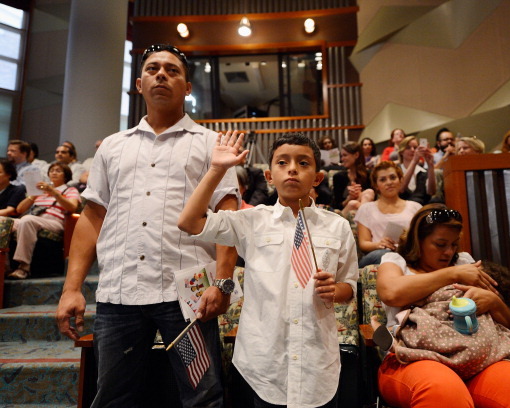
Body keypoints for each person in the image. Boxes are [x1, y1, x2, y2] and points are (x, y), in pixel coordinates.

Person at [56, 43, 239, 408]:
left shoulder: (211, 145)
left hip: (187, 297)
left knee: (202, 395)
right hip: (120, 292)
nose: (161, 75)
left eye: (172, 71)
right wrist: (71, 288)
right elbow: (92, 218)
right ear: (138, 83)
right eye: (153, 68)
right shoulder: (112, 147)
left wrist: (223, 282)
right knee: (113, 397)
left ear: (187, 88)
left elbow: (227, 219)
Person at [178, 132, 359, 408]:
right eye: (283, 162)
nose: (293, 169)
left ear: (318, 178)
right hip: (265, 363)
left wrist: (336, 289)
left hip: (317, 361)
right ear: (269, 176)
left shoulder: (338, 226)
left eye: (303, 163)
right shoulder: (251, 221)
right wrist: (217, 170)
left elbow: (350, 287)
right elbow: (189, 222)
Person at [375, 204, 510, 408]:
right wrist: (453, 274)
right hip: (413, 358)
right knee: (443, 393)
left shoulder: (464, 261)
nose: (449, 252)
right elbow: (390, 293)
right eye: (440, 244)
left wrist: (492, 301)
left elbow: (506, 321)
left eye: (454, 244)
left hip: (480, 359)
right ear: (417, 241)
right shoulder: (396, 261)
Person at [8, 162, 80, 279]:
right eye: (52, 171)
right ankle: (5, 266)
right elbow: (20, 209)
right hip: (33, 218)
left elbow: (72, 207)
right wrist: (33, 195)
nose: (54, 173)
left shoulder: (70, 190)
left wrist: (54, 192)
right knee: (4, 222)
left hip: (54, 221)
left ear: (65, 175)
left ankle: (24, 267)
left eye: (58, 171)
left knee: (27, 220)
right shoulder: (41, 191)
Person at [354, 161, 421, 267]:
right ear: (376, 185)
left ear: (400, 180)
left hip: (407, 252)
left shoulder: (415, 207)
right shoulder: (366, 209)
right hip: (379, 254)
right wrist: (379, 244)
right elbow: (363, 243)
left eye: (393, 177)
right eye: (383, 180)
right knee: (386, 255)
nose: (389, 182)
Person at [332, 141, 374, 214]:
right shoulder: (338, 177)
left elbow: (375, 200)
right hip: (345, 213)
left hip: (367, 210)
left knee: (368, 193)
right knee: (353, 203)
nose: (342, 159)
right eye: (341, 156)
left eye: (345, 155)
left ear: (356, 155)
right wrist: (349, 198)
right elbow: (336, 206)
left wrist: (359, 195)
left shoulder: (369, 175)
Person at [398, 136, 436, 205]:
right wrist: (414, 161)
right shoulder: (396, 170)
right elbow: (401, 189)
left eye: (415, 147)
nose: (412, 150)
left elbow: (431, 192)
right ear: (401, 152)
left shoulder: (423, 171)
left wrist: (431, 166)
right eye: (408, 147)